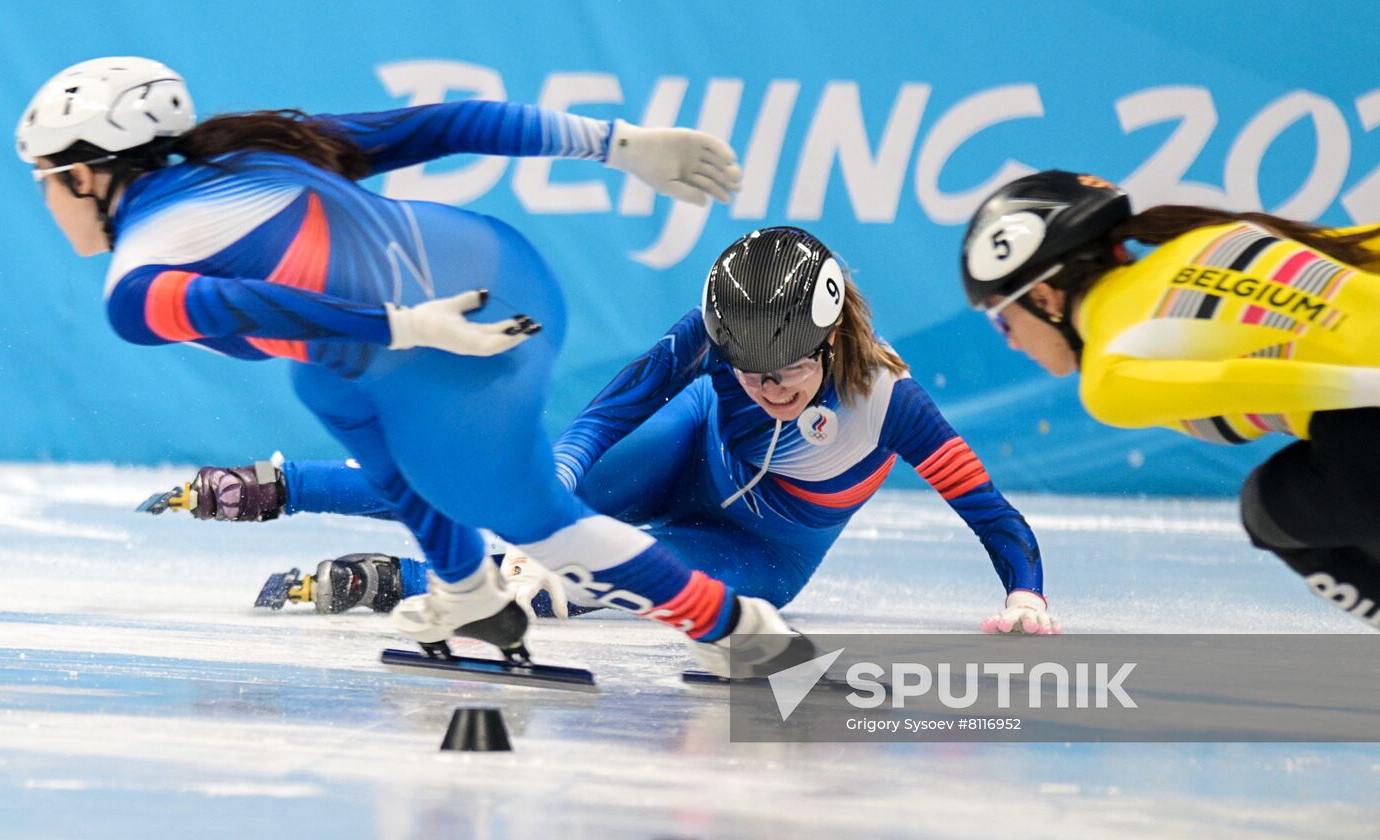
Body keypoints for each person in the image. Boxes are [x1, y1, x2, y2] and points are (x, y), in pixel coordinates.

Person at [18, 55, 814, 678]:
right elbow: (443, 124)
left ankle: (734, 630)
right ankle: (467, 594)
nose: (48, 203)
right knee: (326, 382)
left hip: (466, 321)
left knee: (535, 517)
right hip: (464, 273)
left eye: (48, 182)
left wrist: (403, 326)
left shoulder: (135, 288)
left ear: (88, 175)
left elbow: (256, 308)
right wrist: (619, 145)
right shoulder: (249, 151)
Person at [158, 226, 1060, 635]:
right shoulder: (710, 336)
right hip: (687, 451)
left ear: (829, 341)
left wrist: (1026, 594)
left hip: (766, 550)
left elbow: (988, 509)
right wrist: (554, 477)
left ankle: (394, 580)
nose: (770, 390)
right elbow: (611, 411)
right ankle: (282, 487)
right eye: (749, 372)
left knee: (587, 574)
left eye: (785, 373)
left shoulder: (893, 400)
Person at [961, 169, 1380, 629]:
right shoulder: (1213, 237)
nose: (1013, 343)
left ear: (1043, 296)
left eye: (1003, 321)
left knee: (1266, 510)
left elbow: (1254, 380)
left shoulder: (1109, 374)